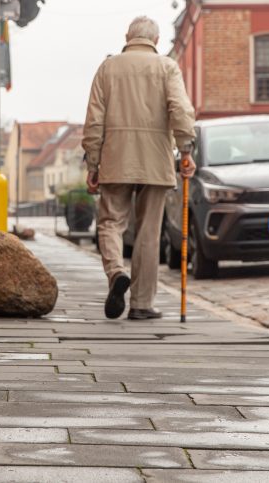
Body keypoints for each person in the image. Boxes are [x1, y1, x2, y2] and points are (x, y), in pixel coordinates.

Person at [82, 16, 196, 320]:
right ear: (156, 41)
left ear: (127, 37)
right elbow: (181, 110)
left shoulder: (108, 67)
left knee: (110, 222)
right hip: (155, 160)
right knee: (149, 232)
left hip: (116, 158)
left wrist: (93, 161)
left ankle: (117, 271)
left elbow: (94, 120)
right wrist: (186, 149)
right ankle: (142, 303)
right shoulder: (167, 67)